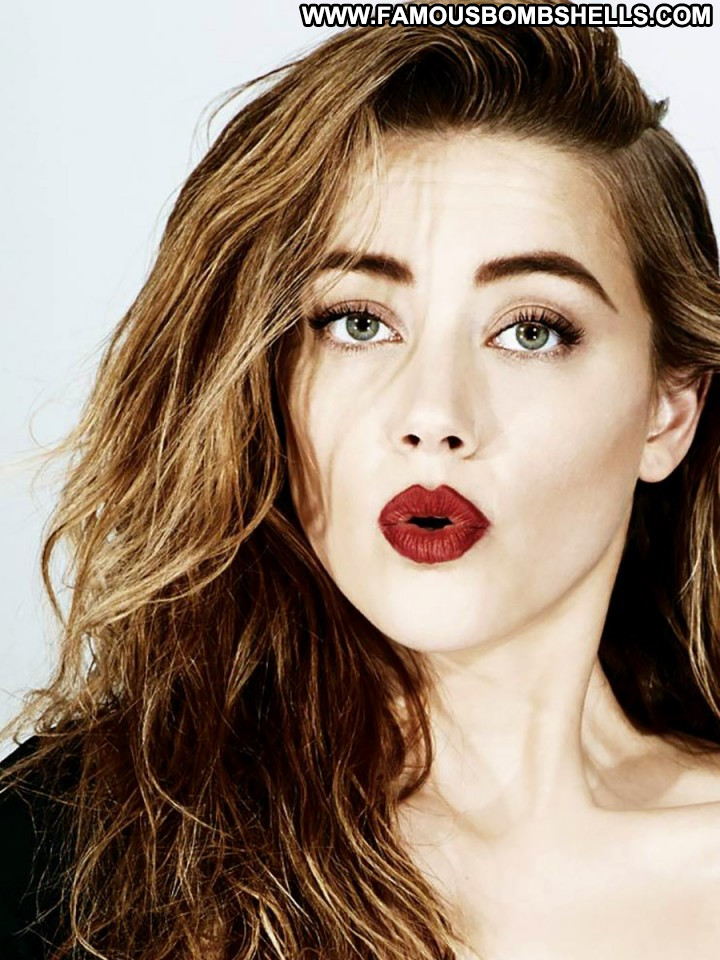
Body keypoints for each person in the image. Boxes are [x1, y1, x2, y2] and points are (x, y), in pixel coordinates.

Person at [2, 8, 720, 960]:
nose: (433, 414)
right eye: (359, 322)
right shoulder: (65, 855)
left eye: (531, 331)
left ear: (667, 412)